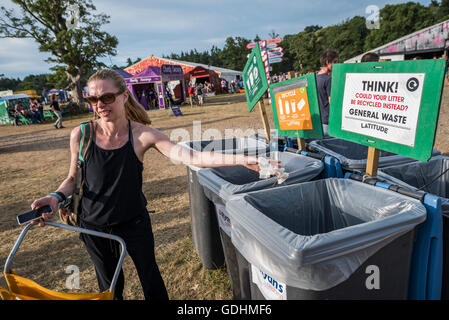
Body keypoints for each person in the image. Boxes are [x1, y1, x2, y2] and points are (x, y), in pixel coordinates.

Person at [30, 68, 274, 301]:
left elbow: (192, 157)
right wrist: (56, 197)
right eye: (92, 99)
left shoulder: (143, 135)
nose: (99, 105)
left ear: (124, 96)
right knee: (110, 287)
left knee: (152, 282)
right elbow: (72, 179)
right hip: (93, 226)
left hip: (134, 224)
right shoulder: (82, 134)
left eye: (106, 97)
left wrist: (241, 160)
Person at [316, 49, 338, 137]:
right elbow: (331, 101)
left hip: (318, 119)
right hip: (328, 119)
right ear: (327, 62)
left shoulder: (315, 78)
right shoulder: (328, 79)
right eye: (335, 62)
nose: (336, 65)